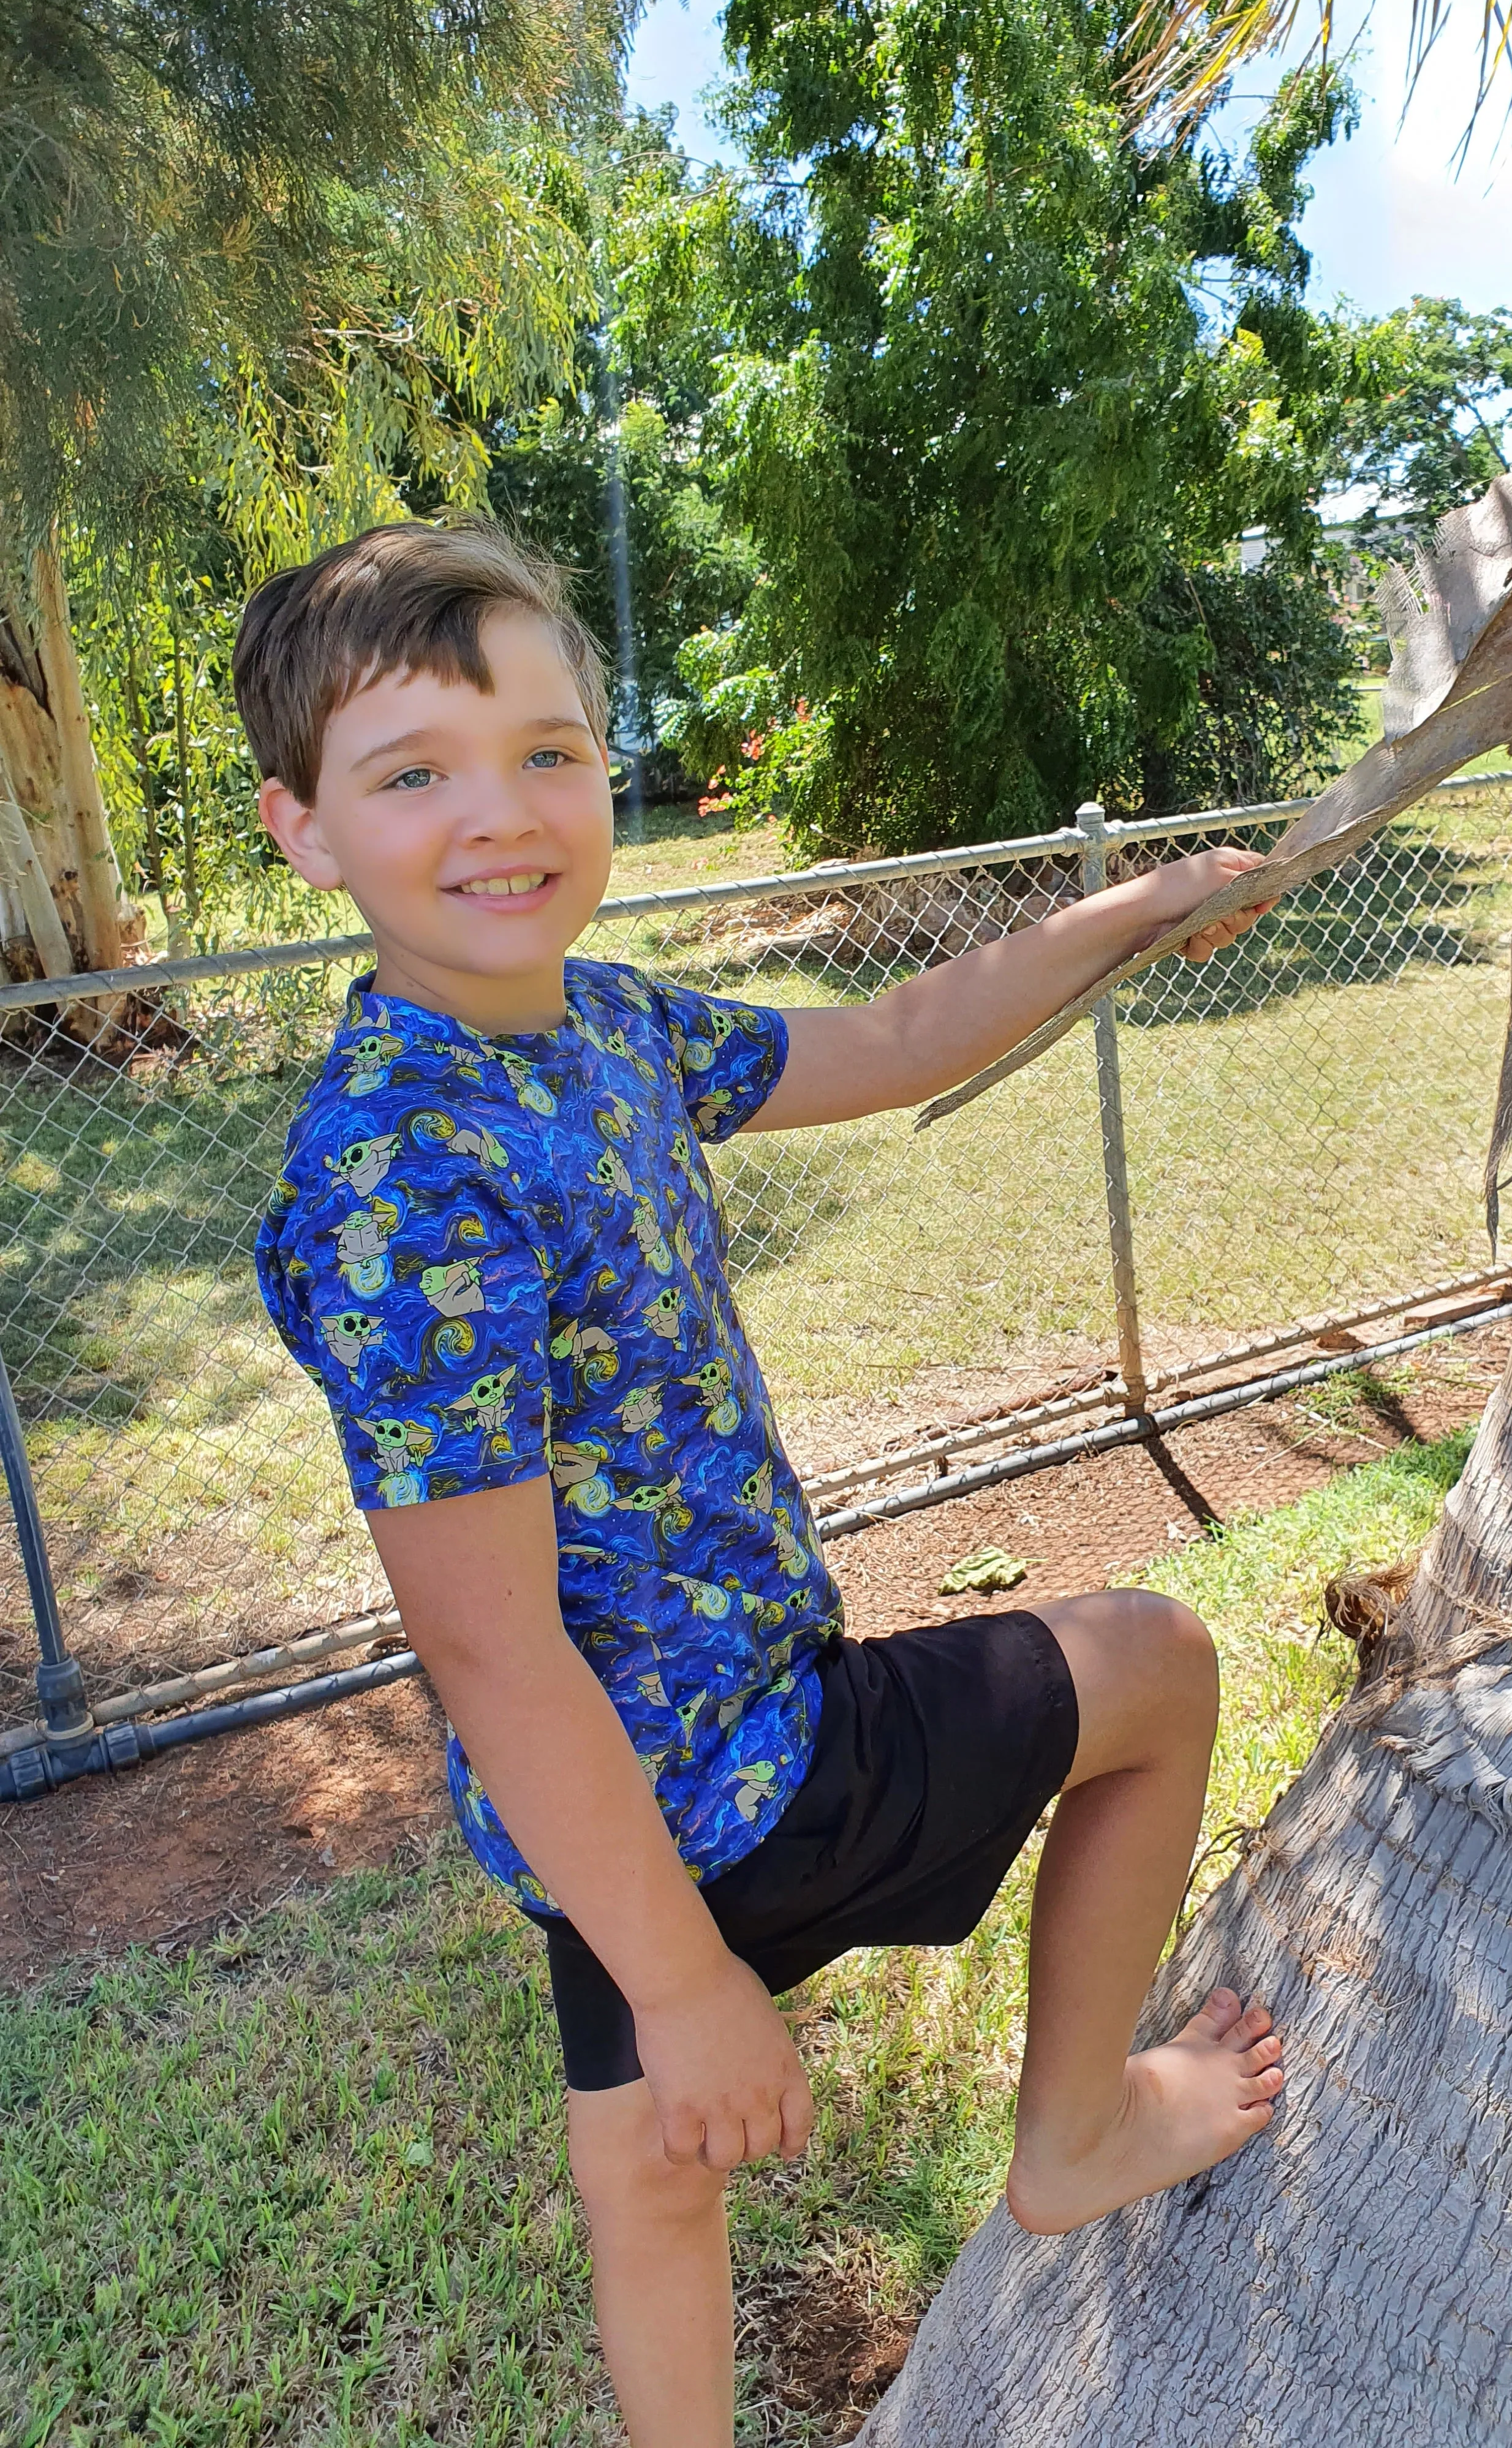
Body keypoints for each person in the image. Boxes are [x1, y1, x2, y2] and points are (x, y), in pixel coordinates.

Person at [240, 517, 1284, 2447]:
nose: (506, 813)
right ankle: (1069, 2135)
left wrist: (1122, 912)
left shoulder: (608, 1028)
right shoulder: (402, 1178)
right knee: (1150, 1666)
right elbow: (488, 1649)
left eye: (549, 751)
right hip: (739, 1771)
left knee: (649, 2196)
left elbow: (889, 1039)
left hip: (596, 1834)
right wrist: (694, 1982)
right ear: (301, 829)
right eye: (415, 775)